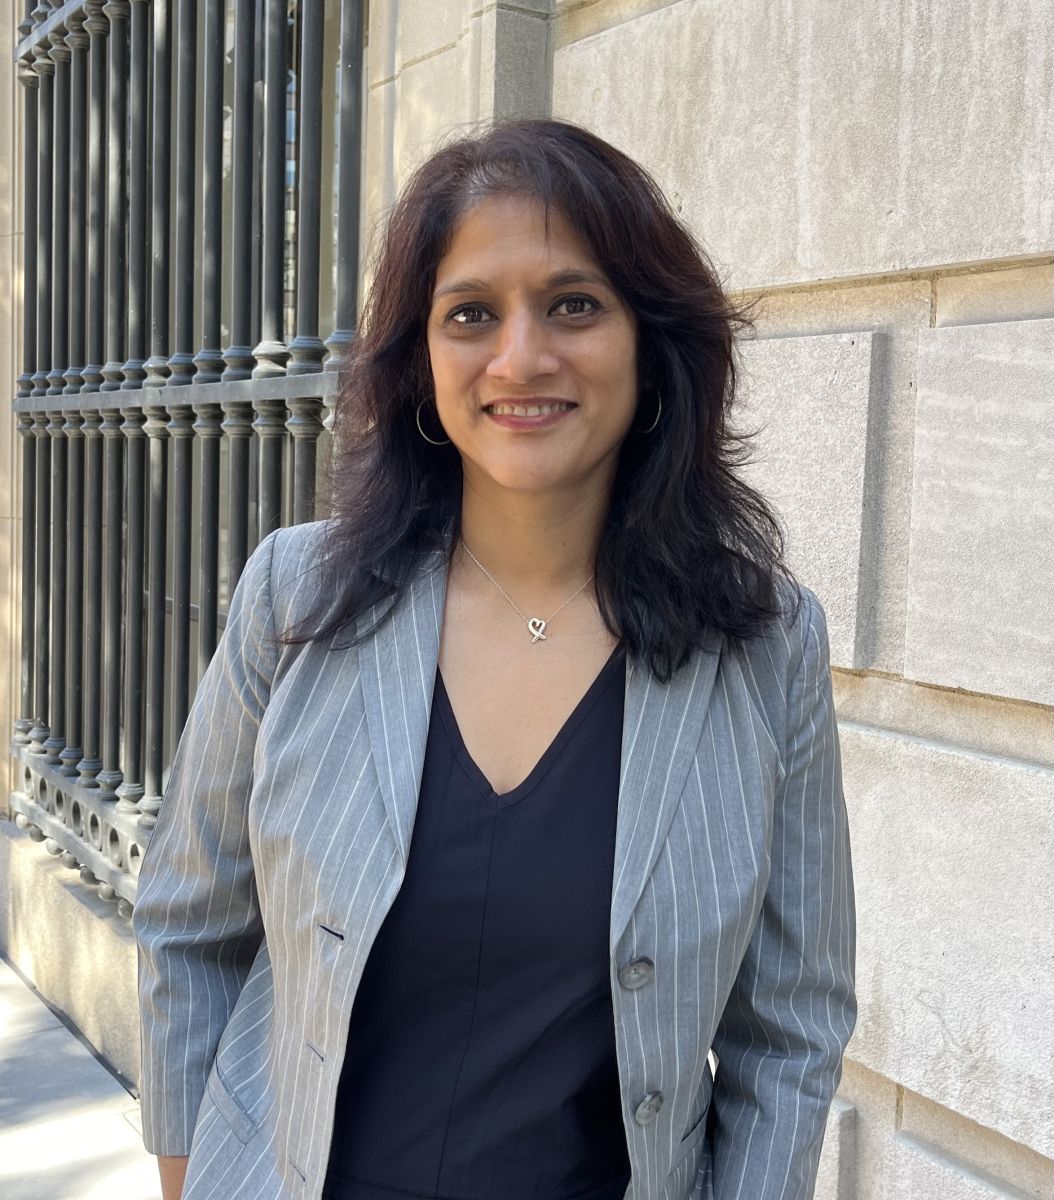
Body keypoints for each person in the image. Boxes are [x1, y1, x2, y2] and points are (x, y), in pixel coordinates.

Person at [132, 117, 856, 1200]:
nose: (521, 357)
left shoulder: (763, 648)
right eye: (471, 314)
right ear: (420, 362)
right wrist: (192, 1182)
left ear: (650, 344)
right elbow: (189, 927)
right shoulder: (297, 597)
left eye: (574, 304)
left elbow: (789, 1029)